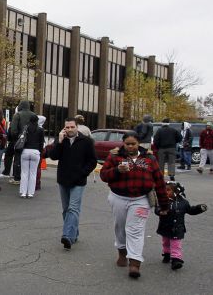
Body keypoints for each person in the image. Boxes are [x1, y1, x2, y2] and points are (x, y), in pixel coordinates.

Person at [100, 131, 169, 278]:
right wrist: (117, 170)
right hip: (118, 197)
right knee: (120, 226)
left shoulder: (149, 158)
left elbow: (159, 181)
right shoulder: (115, 156)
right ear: (123, 144)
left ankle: (135, 263)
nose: (130, 147)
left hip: (141, 199)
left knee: (135, 229)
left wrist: (164, 204)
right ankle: (122, 252)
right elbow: (104, 176)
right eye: (127, 144)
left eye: (133, 144)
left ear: (138, 144)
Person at [48, 118, 97, 250]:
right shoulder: (61, 140)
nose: (70, 129)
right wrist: (58, 141)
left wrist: (83, 173)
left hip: (78, 181)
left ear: (77, 127)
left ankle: (67, 236)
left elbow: (93, 161)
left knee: (73, 208)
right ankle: (73, 233)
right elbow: (53, 156)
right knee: (66, 209)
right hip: (63, 180)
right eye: (67, 127)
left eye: (72, 127)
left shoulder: (86, 141)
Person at [155, 181, 207, 270]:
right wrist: (160, 211)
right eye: (164, 190)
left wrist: (199, 208)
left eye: (168, 190)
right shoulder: (163, 200)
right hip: (165, 226)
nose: (165, 192)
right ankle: (167, 254)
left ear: (176, 192)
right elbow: (157, 209)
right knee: (166, 242)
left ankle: (176, 260)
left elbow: (191, 210)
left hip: (178, 228)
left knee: (176, 244)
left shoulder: (184, 202)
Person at [7, 101, 37, 184]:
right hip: (31, 141)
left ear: (21, 106)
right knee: (28, 161)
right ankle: (26, 178)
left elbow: (13, 130)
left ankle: (17, 178)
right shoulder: (34, 115)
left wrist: (15, 139)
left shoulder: (17, 115)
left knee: (18, 159)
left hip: (20, 140)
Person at [19, 115, 44, 198]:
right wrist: (40, 152)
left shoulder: (25, 128)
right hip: (35, 152)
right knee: (33, 173)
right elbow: (41, 143)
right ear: (37, 121)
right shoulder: (40, 130)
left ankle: (23, 192)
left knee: (24, 173)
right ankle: (30, 193)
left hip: (25, 151)